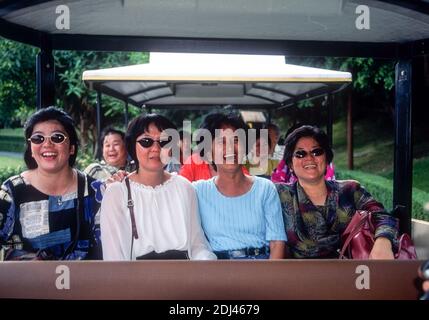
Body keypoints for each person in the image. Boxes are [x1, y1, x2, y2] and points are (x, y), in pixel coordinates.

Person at [100, 113, 216, 260]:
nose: (155, 148)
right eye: (146, 142)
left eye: (164, 142)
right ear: (131, 145)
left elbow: (197, 244)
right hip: (137, 279)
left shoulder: (184, 187)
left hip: (185, 276)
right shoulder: (117, 193)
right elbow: (113, 257)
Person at [275, 125, 398, 259]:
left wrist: (383, 242)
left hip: (351, 274)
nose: (309, 158)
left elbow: (383, 215)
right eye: (300, 153)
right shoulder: (280, 194)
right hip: (298, 276)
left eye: (316, 152)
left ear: (327, 158)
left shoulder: (349, 190)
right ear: (290, 164)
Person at [0, 106, 101, 260]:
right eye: (38, 138)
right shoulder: (13, 192)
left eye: (57, 137)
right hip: (29, 283)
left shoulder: (94, 191)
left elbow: (109, 246)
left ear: (72, 148)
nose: (47, 144)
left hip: (86, 282)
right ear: (31, 148)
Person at [193, 113, 286, 259]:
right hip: (217, 269)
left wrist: (269, 279)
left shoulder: (265, 188)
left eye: (236, 140)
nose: (230, 148)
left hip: (260, 266)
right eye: (221, 141)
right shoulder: (198, 191)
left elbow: (277, 242)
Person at [180, 113, 249, 182]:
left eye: (235, 140)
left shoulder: (245, 178)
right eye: (222, 142)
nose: (230, 148)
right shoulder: (194, 163)